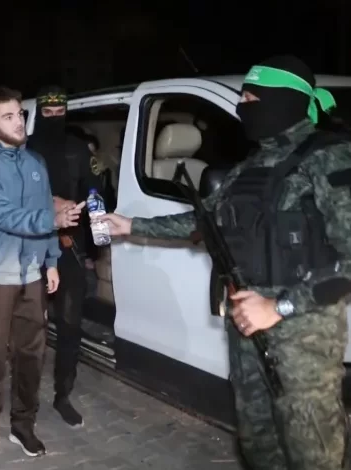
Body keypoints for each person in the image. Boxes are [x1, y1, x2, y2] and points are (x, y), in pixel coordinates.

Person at [99, 55, 350, 470]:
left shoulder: (330, 157)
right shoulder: (250, 166)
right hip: (246, 322)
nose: (242, 106)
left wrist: (278, 307)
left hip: (303, 330)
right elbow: (205, 222)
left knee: (312, 447)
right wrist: (131, 225)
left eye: (251, 98)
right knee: (257, 439)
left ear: (284, 100)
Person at [0, 86, 83, 459]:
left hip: (32, 274)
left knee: (31, 356)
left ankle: (23, 426)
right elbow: (5, 216)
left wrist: (52, 261)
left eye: (20, 114)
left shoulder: (35, 162)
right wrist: (53, 220)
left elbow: (44, 212)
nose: (19, 122)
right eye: (9, 116)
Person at [26, 85, 111, 427]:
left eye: (59, 112)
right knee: (29, 327)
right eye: (47, 112)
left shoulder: (77, 150)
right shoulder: (25, 150)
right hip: (31, 246)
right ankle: (24, 397)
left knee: (70, 325)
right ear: (39, 113)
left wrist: (99, 238)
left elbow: (96, 194)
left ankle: (63, 394)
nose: (53, 117)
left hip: (69, 248)